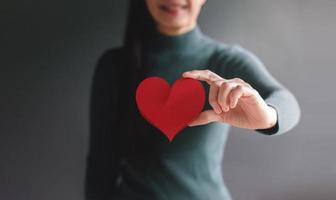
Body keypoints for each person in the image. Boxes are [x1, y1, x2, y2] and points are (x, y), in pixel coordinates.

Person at [84, 0, 301, 199]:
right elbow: (100, 166)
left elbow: (287, 102)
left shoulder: (224, 61)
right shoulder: (114, 65)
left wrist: (268, 116)